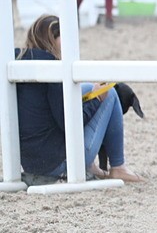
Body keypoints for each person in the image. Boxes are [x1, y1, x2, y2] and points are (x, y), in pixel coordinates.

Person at [14, 15, 144, 184]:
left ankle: (93, 167)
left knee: (86, 87)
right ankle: (118, 167)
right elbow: (69, 123)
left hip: (32, 163)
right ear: (51, 39)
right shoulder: (53, 68)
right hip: (60, 164)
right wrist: (96, 99)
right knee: (109, 92)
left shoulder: (18, 64)